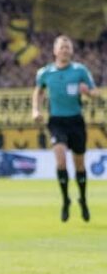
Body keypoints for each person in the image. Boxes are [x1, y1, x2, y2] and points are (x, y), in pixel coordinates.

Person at [32, 35, 97, 222]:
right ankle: (65, 200)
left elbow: (94, 92)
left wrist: (88, 93)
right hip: (57, 121)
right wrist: (36, 110)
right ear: (55, 51)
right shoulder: (45, 73)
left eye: (68, 47)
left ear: (72, 51)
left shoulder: (80, 71)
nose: (65, 50)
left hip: (76, 121)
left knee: (79, 164)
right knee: (60, 161)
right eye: (62, 47)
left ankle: (83, 199)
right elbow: (38, 91)